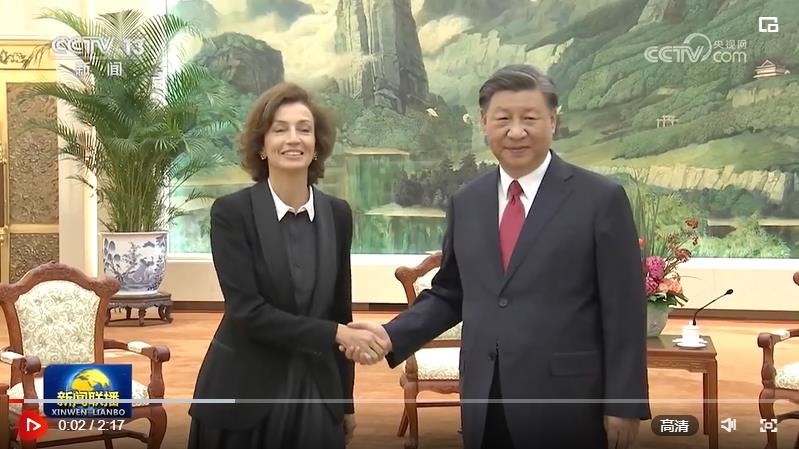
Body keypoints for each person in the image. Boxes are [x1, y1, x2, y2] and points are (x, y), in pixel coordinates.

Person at [343, 65, 651, 449]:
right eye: (503, 119)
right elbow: (451, 293)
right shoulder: (467, 202)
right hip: (485, 396)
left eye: (530, 118)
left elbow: (624, 310)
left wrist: (624, 403)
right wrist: (391, 335)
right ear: (484, 123)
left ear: (553, 121)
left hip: (568, 401)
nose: (516, 131)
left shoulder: (600, 200)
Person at [188, 82, 386, 449]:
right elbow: (247, 312)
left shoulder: (338, 214)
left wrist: (345, 403)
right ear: (262, 146)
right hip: (244, 395)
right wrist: (335, 334)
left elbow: (339, 309)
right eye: (280, 129)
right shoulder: (232, 213)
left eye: (304, 129)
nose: (293, 139)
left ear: (316, 146)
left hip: (317, 396)